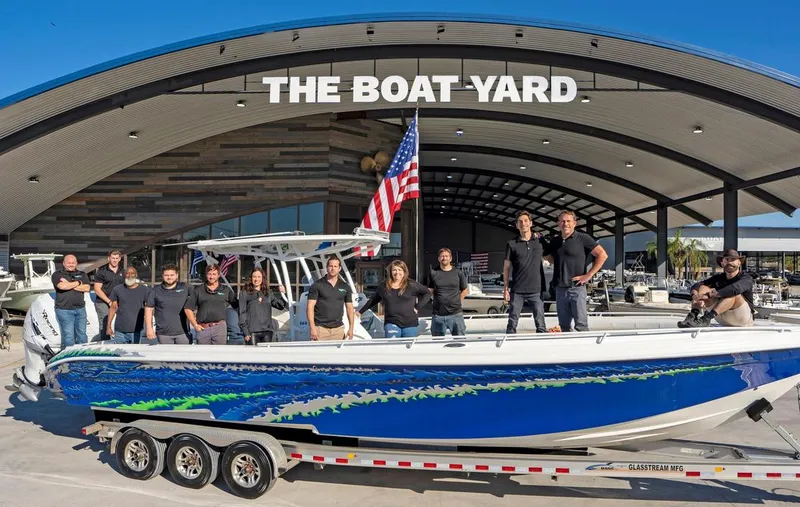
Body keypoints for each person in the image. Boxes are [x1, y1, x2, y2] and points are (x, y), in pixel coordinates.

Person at [544, 210, 608, 332]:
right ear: (558, 224)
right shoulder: (555, 241)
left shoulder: (583, 238)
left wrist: (589, 275)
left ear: (575, 223)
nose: (565, 224)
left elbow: (602, 255)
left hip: (577, 289)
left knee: (581, 326)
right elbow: (552, 259)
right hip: (560, 290)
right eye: (562, 221)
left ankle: (584, 349)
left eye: (568, 221)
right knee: (564, 327)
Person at [678, 248, 754, 328]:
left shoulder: (746, 278)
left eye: (733, 260)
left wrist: (709, 295)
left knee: (733, 294)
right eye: (727, 260)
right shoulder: (718, 278)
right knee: (703, 288)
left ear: (739, 263)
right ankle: (693, 316)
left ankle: (706, 318)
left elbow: (735, 289)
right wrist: (695, 293)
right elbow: (699, 284)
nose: (730, 262)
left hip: (742, 318)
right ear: (722, 263)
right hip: (721, 316)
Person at [357, 260, 431, 338]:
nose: (397, 272)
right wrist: (360, 312)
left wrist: (417, 306)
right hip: (391, 322)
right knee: (393, 346)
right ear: (390, 272)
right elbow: (374, 300)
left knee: (408, 348)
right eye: (394, 270)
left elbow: (427, 293)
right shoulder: (384, 286)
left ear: (404, 271)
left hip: (410, 323)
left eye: (400, 270)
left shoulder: (412, 285)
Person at [504, 211, 547, 334]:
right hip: (517, 290)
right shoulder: (511, 244)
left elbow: (551, 256)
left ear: (531, 223)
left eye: (526, 221)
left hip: (536, 290)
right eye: (520, 221)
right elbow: (506, 266)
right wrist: (506, 288)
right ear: (516, 225)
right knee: (512, 323)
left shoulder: (540, 241)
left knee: (541, 324)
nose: (523, 223)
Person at [186, 264, 238, 345]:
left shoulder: (226, 290)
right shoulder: (198, 290)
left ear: (218, 275)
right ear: (206, 275)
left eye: (214, 274)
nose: (211, 277)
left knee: (219, 355)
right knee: (203, 356)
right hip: (203, 328)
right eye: (209, 274)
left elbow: (237, 306)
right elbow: (188, 308)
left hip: (220, 328)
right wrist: (195, 325)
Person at [307, 257, 355, 341]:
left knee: (338, 354)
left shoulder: (345, 286)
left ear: (339, 268)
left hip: (338, 330)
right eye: (330, 266)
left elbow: (350, 308)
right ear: (327, 268)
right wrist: (312, 327)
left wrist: (351, 328)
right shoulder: (317, 285)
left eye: (335, 266)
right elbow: (310, 307)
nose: (333, 268)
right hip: (320, 329)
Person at [144, 263, 193, 344]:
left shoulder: (186, 288)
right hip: (163, 334)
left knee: (184, 356)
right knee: (165, 356)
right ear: (163, 276)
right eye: (166, 275)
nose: (169, 277)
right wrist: (149, 328)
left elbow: (199, 300)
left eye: (172, 275)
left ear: (177, 275)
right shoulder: (155, 290)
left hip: (183, 333)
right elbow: (148, 309)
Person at [239, 267, 287, 345]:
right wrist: (245, 331)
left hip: (267, 331)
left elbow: (280, 306)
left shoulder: (268, 293)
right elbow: (242, 313)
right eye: (254, 277)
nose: (256, 279)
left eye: (259, 277)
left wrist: (284, 294)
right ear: (251, 278)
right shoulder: (244, 293)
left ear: (262, 278)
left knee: (266, 356)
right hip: (252, 332)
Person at [51, 254, 91, 348]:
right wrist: (79, 282)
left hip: (80, 309)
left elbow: (87, 288)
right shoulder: (57, 274)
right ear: (64, 263)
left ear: (76, 263)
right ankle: (69, 358)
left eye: (73, 262)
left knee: (82, 335)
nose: (71, 264)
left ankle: (82, 356)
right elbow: (62, 286)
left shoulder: (82, 274)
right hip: (64, 310)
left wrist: (69, 284)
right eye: (69, 262)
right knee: (68, 337)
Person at [428, 248, 468, 336]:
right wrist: (436, 300)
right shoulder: (433, 273)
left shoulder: (458, 273)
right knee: (436, 344)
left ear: (450, 258)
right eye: (442, 256)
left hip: (456, 314)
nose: (444, 258)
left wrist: (458, 301)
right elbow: (430, 290)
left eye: (446, 256)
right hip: (438, 316)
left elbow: (465, 290)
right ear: (438, 258)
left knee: (459, 343)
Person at [106, 266, 149, 344]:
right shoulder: (117, 289)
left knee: (134, 354)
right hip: (119, 331)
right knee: (118, 354)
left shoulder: (144, 289)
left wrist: (149, 328)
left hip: (136, 330)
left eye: (132, 273)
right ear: (124, 275)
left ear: (136, 275)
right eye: (127, 273)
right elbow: (113, 308)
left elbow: (148, 309)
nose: (129, 275)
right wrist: (108, 326)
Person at [93, 250, 124, 341]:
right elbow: (97, 289)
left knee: (121, 322)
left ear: (119, 259)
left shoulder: (123, 271)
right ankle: (105, 346)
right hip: (103, 302)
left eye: (116, 258)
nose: (114, 260)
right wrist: (109, 301)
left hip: (118, 301)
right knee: (105, 325)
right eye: (113, 258)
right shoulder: (101, 271)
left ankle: (120, 343)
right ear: (109, 258)